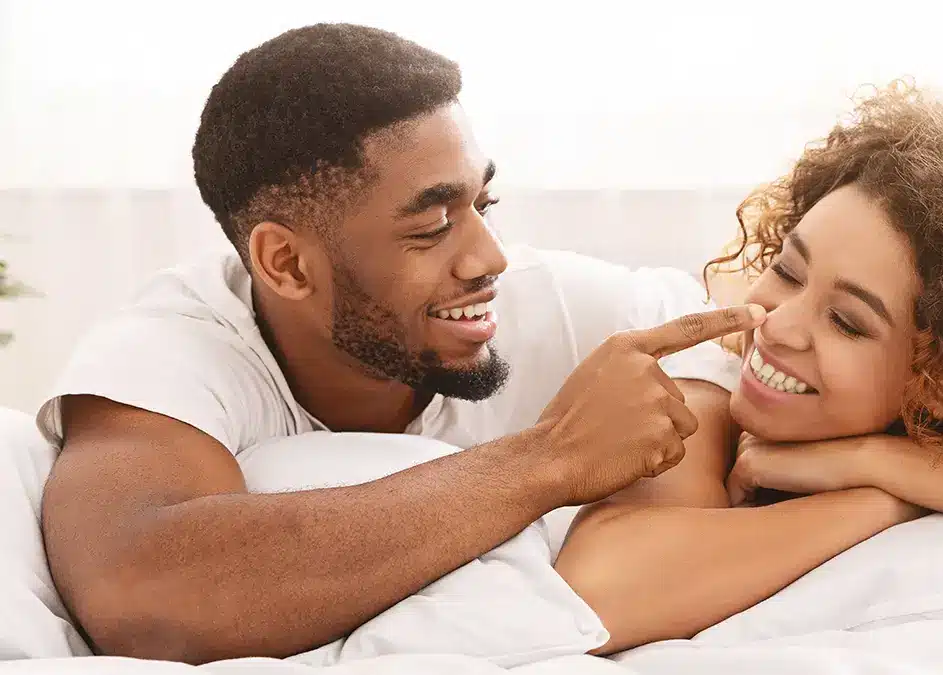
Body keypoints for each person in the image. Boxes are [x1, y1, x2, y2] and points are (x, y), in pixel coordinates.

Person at [34, 23, 769, 664]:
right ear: (285, 263)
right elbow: (141, 593)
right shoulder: (176, 347)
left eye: (484, 203)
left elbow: (753, 359)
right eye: (431, 228)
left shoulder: (585, 310)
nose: (491, 258)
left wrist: (872, 478)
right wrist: (550, 457)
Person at [554, 82, 943, 654]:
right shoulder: (707, 383)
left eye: (847, 321)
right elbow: (601, 593)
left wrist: (882, 464)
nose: (777, 325)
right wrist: (878, 504)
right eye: (787, 269)